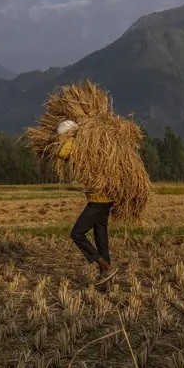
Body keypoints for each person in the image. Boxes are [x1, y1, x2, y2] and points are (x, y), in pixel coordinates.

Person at [57, 119, 118, 286]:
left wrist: (71, 137)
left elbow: (62, 153)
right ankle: (106, 280)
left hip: (98, 200)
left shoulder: (79, 143)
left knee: (77, 234)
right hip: (107, 198)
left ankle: (104, 266)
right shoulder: (92, 144)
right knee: (100, 236)